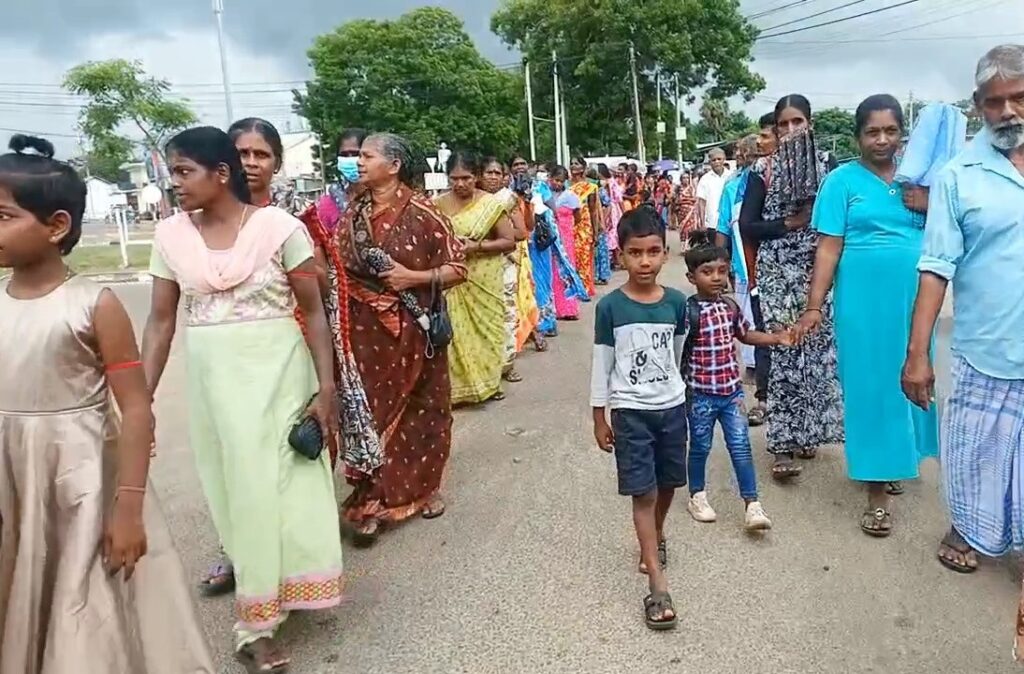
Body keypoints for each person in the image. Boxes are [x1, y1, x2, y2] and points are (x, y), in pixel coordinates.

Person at [0, 135, 215, 674]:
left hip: (80, 481)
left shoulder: (94, 305)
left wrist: (128, 508)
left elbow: (136, 408)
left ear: (56, 226)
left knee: (81, 601)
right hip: (9, 477)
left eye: (3, 217)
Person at [142, 127, 343, 672]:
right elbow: (159, 323)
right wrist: (141, 400)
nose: (174, 182)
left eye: (183, 171)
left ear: (220, 174)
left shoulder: (281, 229)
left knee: (287, 489)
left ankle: (258, 622)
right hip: (217, 388)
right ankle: (260, 601)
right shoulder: (170, 236)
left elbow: (315, 312)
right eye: (172, 171)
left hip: (281, 377)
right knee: (241, 493)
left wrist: (326, 390)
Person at [901, 45, 1024, 574]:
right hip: (986, 346)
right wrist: (917, 355)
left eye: (1018, 98)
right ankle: (970, 526)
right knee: (976, 453)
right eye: (995, 102)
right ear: (977, 106)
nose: (1008, 111)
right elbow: (935, 267)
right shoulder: (959, 175)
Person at [795, 94, 939, 536]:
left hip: (915, 300)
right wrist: (814, 306)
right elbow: (828, 248)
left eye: (890, 131)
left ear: (902, 135)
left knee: (911, 374)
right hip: (862, 300)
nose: (882, 140)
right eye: (872, 132)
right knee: (871, 386)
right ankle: (877, 491)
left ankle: (896, 459)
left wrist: (930, 203)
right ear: (857, 136)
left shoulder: (921, 181)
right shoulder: (841, 182)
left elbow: (951, 232)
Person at [333, 133, 466, 544]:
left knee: (424, 410)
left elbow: (458, 268)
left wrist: (413, 277)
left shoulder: (424, 213)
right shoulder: (352, 212)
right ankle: (371, 498)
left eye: (367, 156)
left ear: (393, 166)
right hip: (363, 332)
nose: (358, 162)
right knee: (368, 413)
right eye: (357, 156)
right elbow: (337, 267)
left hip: (415, 329)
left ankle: (423, 489)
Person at [590, 206, 687, 632]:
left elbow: (677, 356)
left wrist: (678, 395)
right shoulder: (610, 307)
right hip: (631, 414)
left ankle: (656, 536)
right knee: (643, 493)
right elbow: (602, 365)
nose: (644, 262)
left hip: (672, 408)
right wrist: (600, 416)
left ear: (665, 253)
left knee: (669, 484)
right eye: (635, 253)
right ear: (621, 254)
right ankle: (657, 585)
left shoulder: (677, 303)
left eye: (652, 252)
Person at [738, 94, 844, 479]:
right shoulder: (761, 169)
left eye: (797, 122)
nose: (790, 130)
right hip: (778, 271)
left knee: (818, 353)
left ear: (809, 124)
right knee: (785, 350)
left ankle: (809, 432)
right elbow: (747, 224)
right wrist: (790, 224)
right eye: (783, 124)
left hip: (820, 269)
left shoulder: (828, 166)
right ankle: (782, 444)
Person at [682, 243, 790, 531]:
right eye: (707, 272)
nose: (716, 277)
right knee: (700, 447)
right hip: (701, 396)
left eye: (721, 271)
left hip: (732, 395)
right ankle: (697, 495)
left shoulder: (729, 306)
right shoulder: (688, 311)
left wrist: (775, 339)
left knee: (741, 447)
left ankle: (752, 504)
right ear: (692, 277)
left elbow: (745, 335)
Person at [434, 152, 516, 405]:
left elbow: (509, 241)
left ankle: (489, 384)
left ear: (477, 177)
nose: (460, 184)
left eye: (466, 178)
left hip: (484, 276)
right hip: (452, 278)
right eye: (454, 178)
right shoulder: (437, 205)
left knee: (487, 331)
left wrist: (475, 247)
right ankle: (458, 390)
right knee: (455, 334)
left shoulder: (491, 205)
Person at [481, 156, 536, 381]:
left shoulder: (507, 199)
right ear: (479, 175)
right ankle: (484, 368)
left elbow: (522, 232)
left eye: (498, 173)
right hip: (477, 264)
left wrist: (494, 234)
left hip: (504, 262)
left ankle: (507, 364)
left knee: (507, 312)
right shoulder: (472, 200)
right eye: (489, 173)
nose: (493, 178)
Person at [712, 134, 759, 373]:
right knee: (748, 314)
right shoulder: (732, 187)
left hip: (771, 263)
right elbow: (724, 227)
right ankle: (752, 366)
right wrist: (720, 265)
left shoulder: (773, 181)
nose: (738, 156)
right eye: (738, 152)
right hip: (744, 265)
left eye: (742, 152)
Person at [549, 165, 584, 320]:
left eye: (561, 181)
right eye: (555, 180)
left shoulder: (571, 197)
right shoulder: (545, 194)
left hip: (566, 238)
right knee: (553, 271)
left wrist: (566, 227)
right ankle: (555, 308)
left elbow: (578, 216)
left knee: (566, 270)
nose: (558, 183)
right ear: (550, 178)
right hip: (550, 237)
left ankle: (569, 308)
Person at [570, 156, 600, 296]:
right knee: (571, 255)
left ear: (583, 167)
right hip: (568, 224)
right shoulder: (565, 185)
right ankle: (573, 286)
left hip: (584, 226)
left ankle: (584, 287)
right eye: (571, 163)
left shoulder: (590, 187)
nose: (573, 166)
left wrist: (595, 231)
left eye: (576, 163)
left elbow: (593, 210)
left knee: (584, 255)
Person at [696, 148, 730, 230]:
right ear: (709, 162)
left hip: (729, 223)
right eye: (714, 160)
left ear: (724, 159)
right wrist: (702, 223)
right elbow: (701, 202)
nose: (717, 162)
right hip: (712, 223)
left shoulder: (731, 176)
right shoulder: (705, 179)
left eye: (719, 159)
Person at [602, 163, 624, 270]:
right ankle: (615, 260)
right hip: (609, 209)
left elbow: (619, 199)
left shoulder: (610, 183)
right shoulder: (608, 182)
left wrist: (624, 212)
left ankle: (616, 260)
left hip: (611, 210)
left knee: (612, 233)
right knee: (611, 234)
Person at [594, 164, 613, 285]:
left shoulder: (600, 190)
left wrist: (602, 221)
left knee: (601, 250)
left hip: (599, 223)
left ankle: (602, 275)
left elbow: (608, 205)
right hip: (589, 223)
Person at [674, 172, 699, 249]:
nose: (686, 179)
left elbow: (695, 199)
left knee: (689, 229)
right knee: (682, 229)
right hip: (681, 212)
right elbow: (676, 200)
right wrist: (685, 200)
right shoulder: (678, 189)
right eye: (684, 178)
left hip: (690, 212)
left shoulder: (691, 188)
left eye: (687, 178)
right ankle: (683, 245)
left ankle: (688, 245)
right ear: (681, 179)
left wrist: (685, 200)